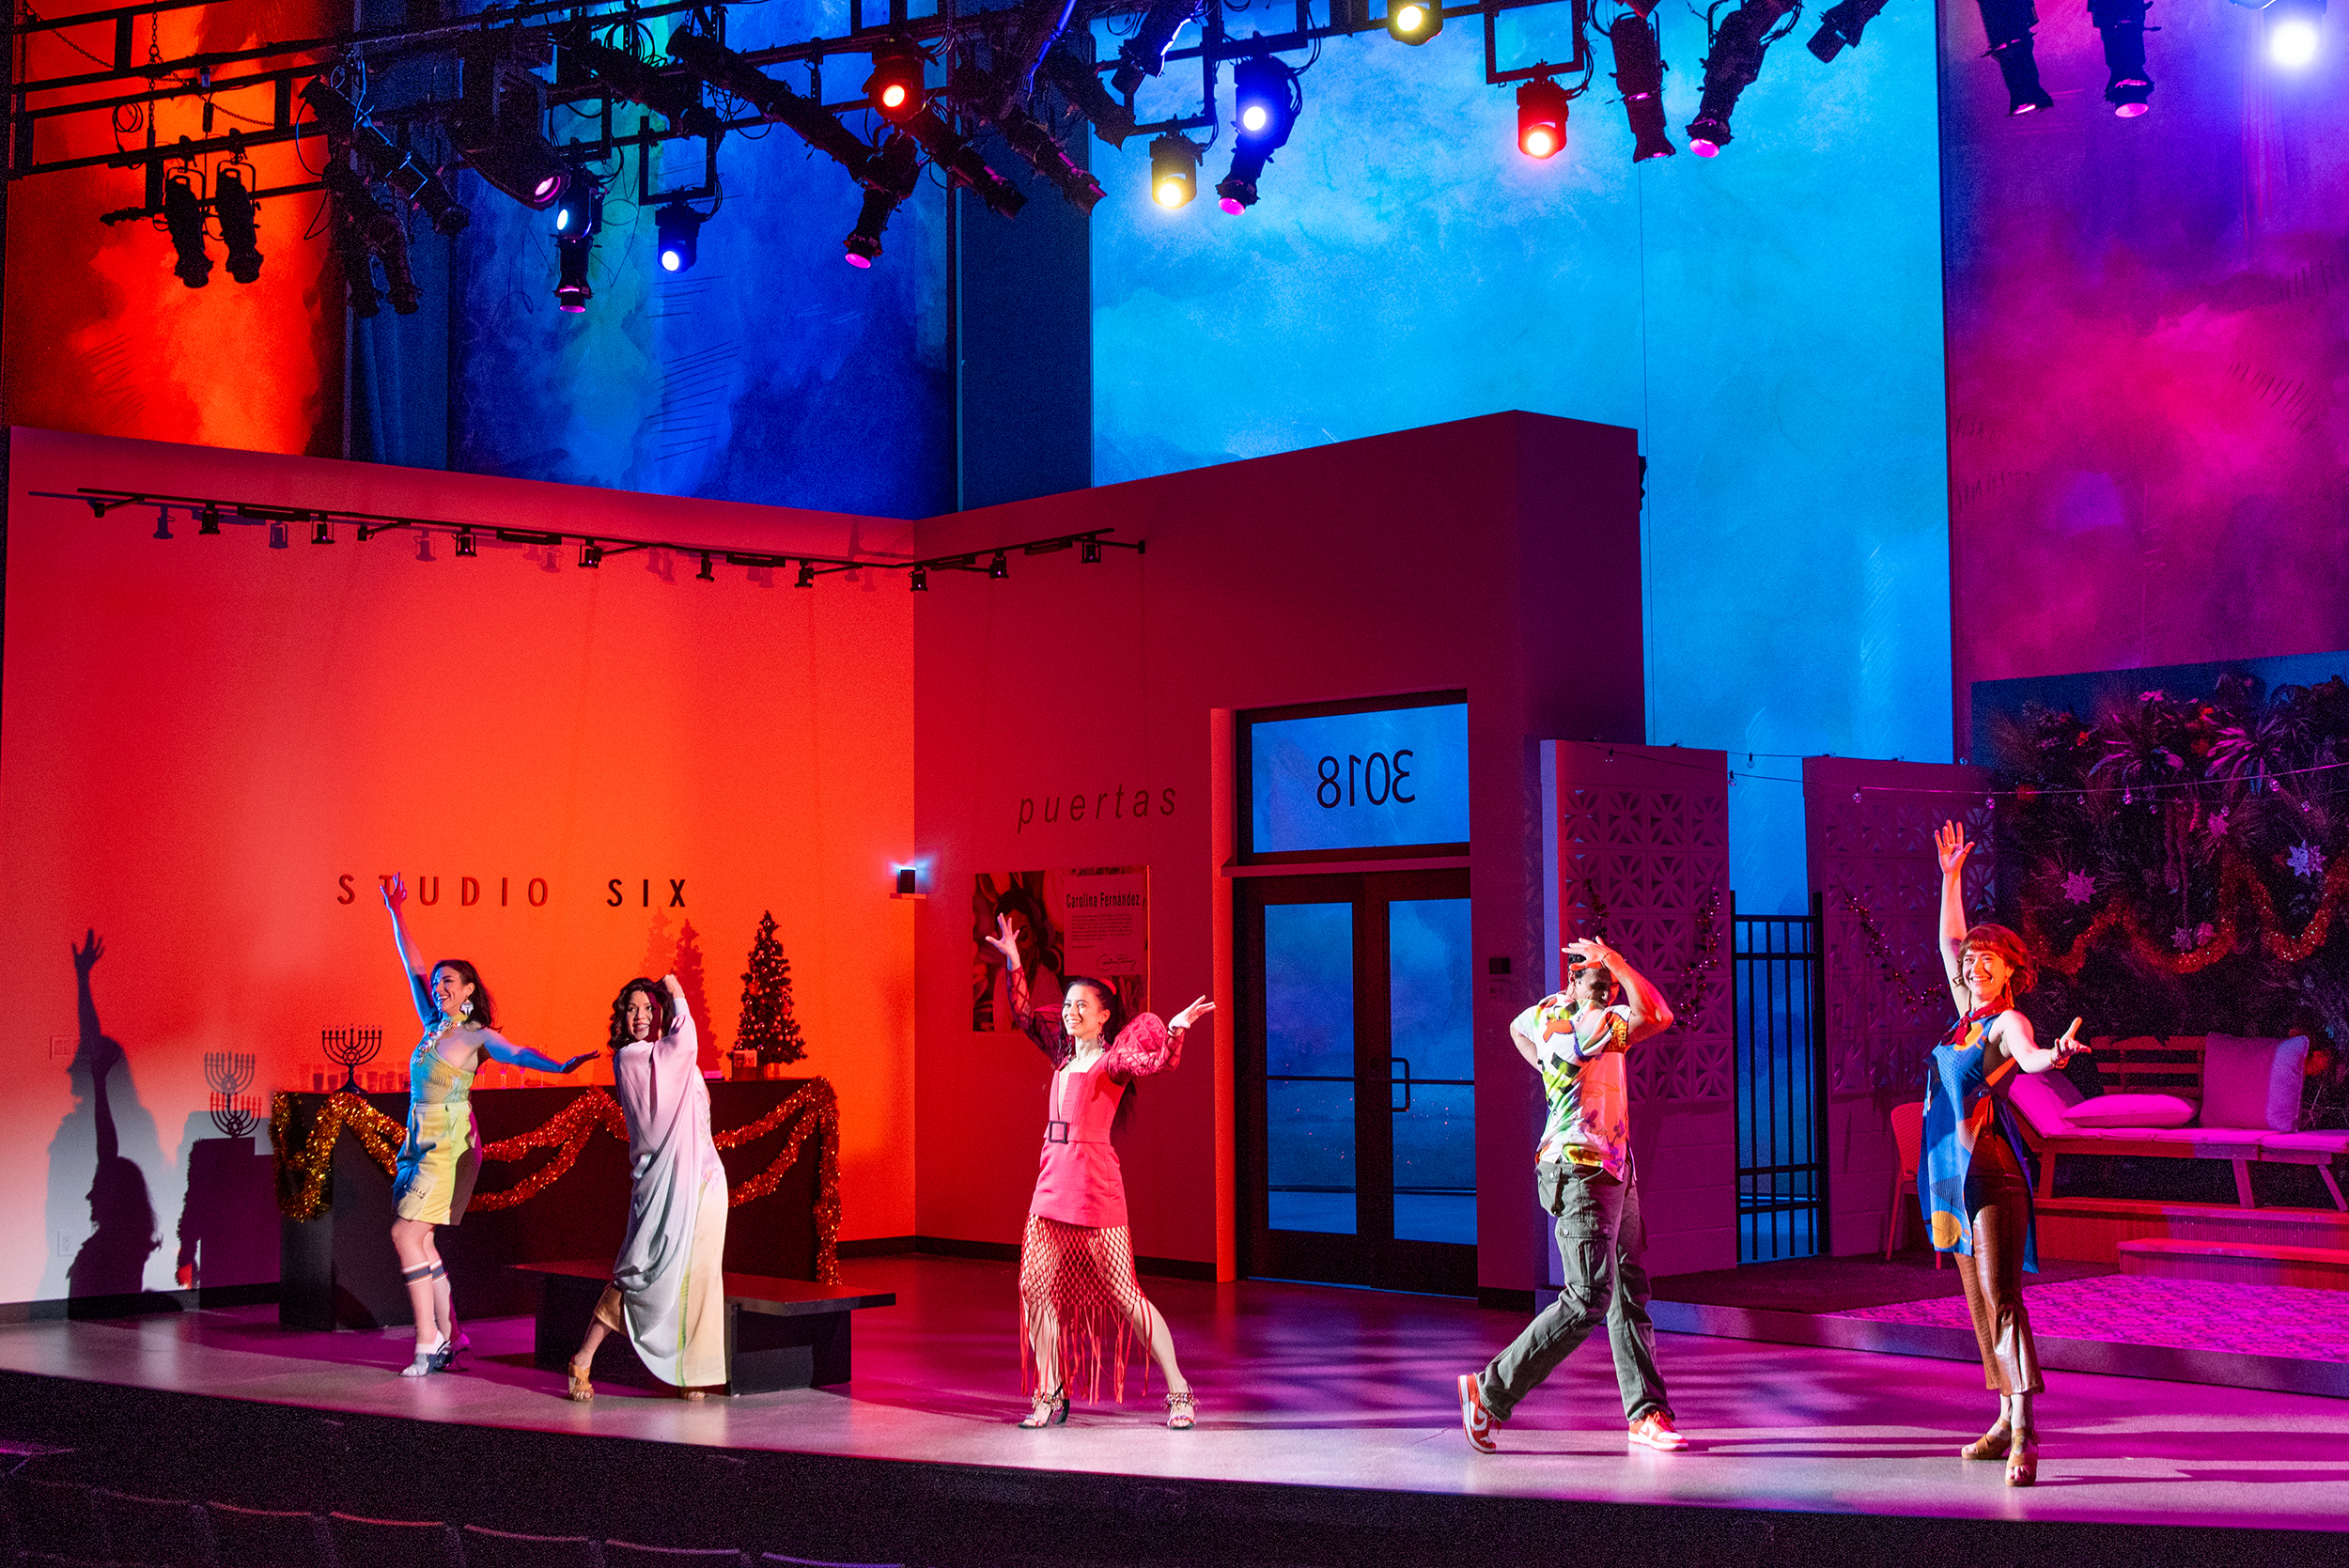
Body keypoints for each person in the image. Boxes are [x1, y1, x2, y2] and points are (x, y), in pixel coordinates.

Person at [982, 913, 1213, 1431]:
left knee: (1126, 1295)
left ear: (1104, 1016)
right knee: (1034, 1289)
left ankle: (1179, 1389)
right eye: (1067, 1005)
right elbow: (1023, 1014)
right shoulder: (1060, 1056)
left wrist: (1175, 1030)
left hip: (1094, 1187)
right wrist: (1015, 961)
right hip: (1050, 1185)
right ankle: (1049, 1391)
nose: (1070, 1012)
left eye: (1081, 1006)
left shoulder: (1114, 1061)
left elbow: (1157, 1064)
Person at [1458, 936, 1686, 1455]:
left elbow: (1517, 1028)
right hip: (1582, 1170)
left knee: (1627, 1290)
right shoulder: (1589, 1024)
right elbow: (1658, 1014)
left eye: (1609, 987)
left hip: (1612, 1165)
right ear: (1574, 982)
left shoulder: (1548, 1011)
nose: (1605, 994)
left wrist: (1545, 1068)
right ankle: (1489, 1392)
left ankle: (1646, 1414)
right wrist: (1620, 963)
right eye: (1597, 984)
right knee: (1588, 1297)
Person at [381, 874, 595, 1376]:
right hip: (419, 1141)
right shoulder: (432, 1026)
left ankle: (428, 1342)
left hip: (450, 1147)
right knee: (422, 1241)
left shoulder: (477, 1036)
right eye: (437, 982)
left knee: (406, 1235)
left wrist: (560, 1066)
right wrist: (396, 912)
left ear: (469, 991)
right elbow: (411, 964)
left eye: (448, 982)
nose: (438, 987)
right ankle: (451, 1337)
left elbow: (518, 1052)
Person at [1929, 820, 2089, 1487]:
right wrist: (1952, 879)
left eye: (1987, 959)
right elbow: (1950, 940)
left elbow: (2029, 1057)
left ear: (2012, 970)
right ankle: (2001, 1419)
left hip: (1991, 1172)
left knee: (2001, 1300)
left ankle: (2024, 1429)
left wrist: (2056, 1054)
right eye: (1971, 960)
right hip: (1949, 1179)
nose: (1973, 964)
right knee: (1976, 1303)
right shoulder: (1963, 1016)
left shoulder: (2007, 1022)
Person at [565, 974, 727, 1402]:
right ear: (622, 1017)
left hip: (705, 1180)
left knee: (700, 1275)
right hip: (661, 1183)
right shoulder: (633, 1057)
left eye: (649, 1009)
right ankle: (583, 1357)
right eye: (633, 1009)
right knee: (639, 1271)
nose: (640, 1016)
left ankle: (690, 1370)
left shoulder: (673, 1059)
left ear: (660, 1016)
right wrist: (676, 991)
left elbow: (700, 1110)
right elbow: (684, 1045)